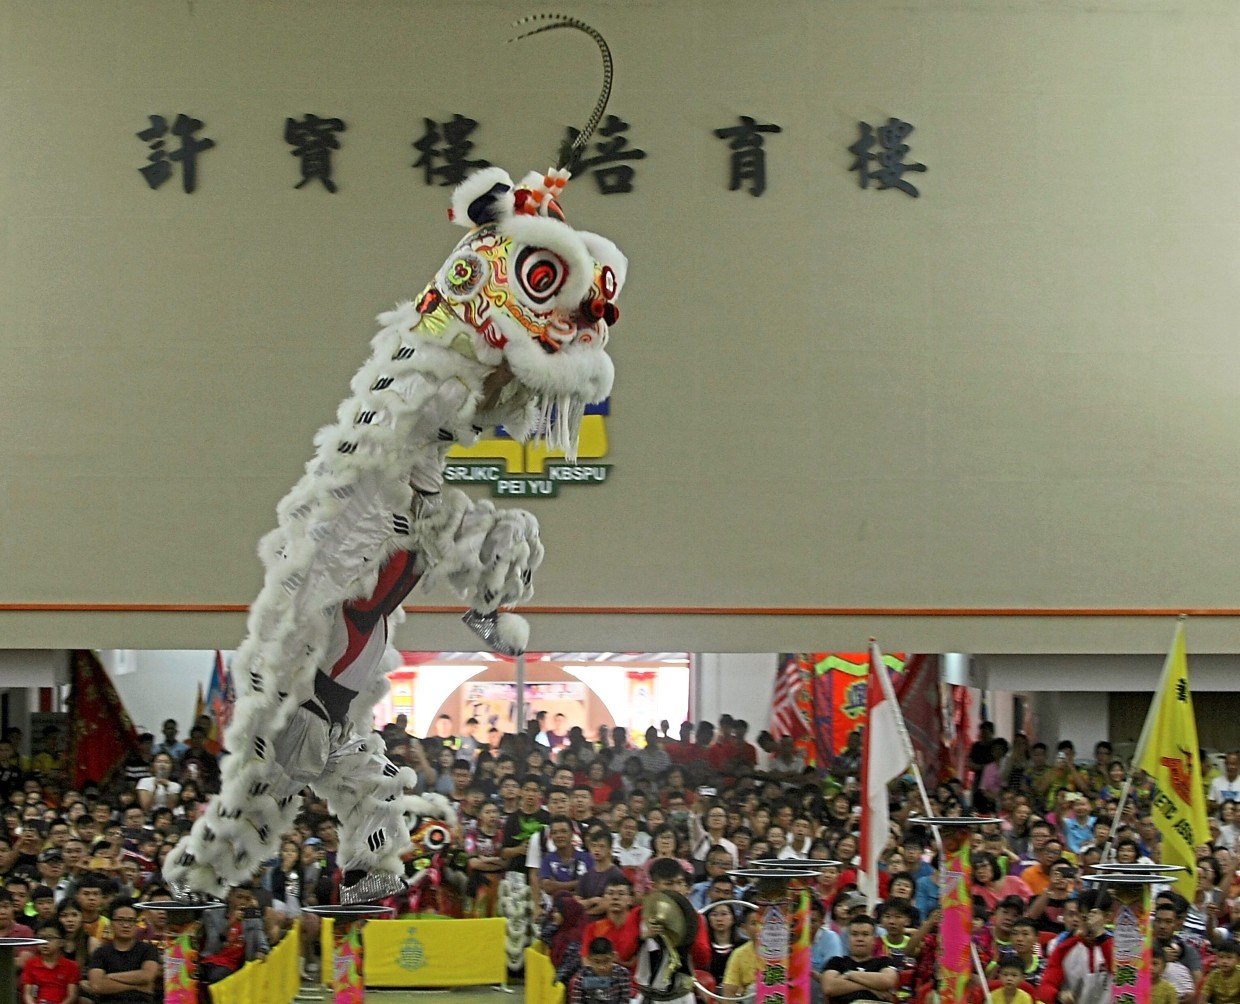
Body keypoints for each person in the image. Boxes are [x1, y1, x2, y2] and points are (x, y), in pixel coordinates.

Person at [1036, 889, 1113, 1004]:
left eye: (1094, 921)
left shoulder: (1120, 949)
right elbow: (1045, 987)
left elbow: (1123, 974)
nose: (1089, 925)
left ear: (1107, 917)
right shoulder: (1064, 948)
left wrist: (1100, 936)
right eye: (1084, 919)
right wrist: (1058, 996)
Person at [86, 899, 160, 1004]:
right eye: (120, 920)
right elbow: (97, 986)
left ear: (136, 924)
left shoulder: (148, 949)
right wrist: (136, 986)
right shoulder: (101, 952)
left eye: (130, 920)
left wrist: (109, 977)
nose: (126, 925)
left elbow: (146, 976)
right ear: (111, 923)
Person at [819, 914, 899, 1004]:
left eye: (865, 934)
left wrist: (850, 974)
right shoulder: (837, 962)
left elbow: (888, 981)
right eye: (854, 934)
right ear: (848, 938)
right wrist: (869, 987)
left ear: (874, 940)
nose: (860, 939)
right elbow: (829, 987)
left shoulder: (884, 961)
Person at [198, 886, 270, 984]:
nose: (243, 902)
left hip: (231, 965)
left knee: (216, 976)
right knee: (189, 973)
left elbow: (263, 945)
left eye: (247, 899)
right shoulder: (213, 915)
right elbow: (214, 946)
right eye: (239, 897)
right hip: (209, 960)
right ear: (230, 897)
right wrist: (230, 924)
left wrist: (262, 952)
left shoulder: (254, 919)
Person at [21, 919, 80, 1004]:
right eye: (41, 938)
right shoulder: (30, 964)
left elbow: (72, 996)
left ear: (62, 942)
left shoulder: (71, 966)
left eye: (50, 938)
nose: (44, 942)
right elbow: (28, 994)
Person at [567, 936, 631, 1004]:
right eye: (597, 962)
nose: (602, 967)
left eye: (606, 961)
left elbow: (624, 1000)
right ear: (589, 958)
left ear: (613, 956)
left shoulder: (622, 974)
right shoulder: (582, 976)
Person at [1202, 939, 1240, 1004]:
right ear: (1216, 958)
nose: (1224, 961)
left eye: (1229, 957)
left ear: (1238, 960)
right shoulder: (1213, 975)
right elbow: (1203, 999)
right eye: (1221, 957)